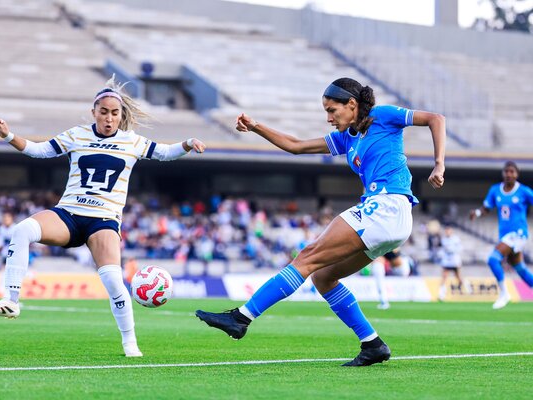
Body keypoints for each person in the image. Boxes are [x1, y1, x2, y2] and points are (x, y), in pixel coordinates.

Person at [196, 77, 446, 367]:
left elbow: (435, 119)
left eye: (332, 110)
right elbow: (296, 146)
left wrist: (439, 163)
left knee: (307, 256)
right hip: (390, 218)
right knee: (322, 276)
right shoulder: (347, 137)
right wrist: (255, 127)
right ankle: (373, 344)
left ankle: (240, 318)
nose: (328, 118)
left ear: (352, 104)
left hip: (386, 206)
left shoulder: (383, 115)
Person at [0, 77, 206, 357]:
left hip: (103, 221)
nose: (109, 118)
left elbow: (165, 153)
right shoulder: (77, 135)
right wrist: (9, 136)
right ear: (94, 112)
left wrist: (187, 143)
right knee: (23, 230)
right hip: (69, 215)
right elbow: (39, 150)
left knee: (112, 280)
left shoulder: (131, 141)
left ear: (121, 116)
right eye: (104, 112)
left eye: (114, 113)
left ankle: (130, 344)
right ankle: (12, 301)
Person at [469, 161, 533, 309]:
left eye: (512, 171)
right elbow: (486, 207)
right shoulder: (495, 190)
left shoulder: (524, 191)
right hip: (504, 235)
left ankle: (504, 294)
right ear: (503, 173)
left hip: (518, 234)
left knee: (493, 259)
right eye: (506, 171)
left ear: (517, 174)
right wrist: (477, 213)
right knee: (519, 268)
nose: (509, 174)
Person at [438, 225, 470, 301]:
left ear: (451, 231)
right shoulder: (443, 240)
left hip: (454, 260)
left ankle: (468, 288)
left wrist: (453, 250)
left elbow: (460, 248)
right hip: (446, 261)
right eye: (446, 231)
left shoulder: (456, 239)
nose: (447, 232)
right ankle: (441, 295)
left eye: (448, 230)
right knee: (444, 277)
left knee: (458, 277)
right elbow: (442, 249)